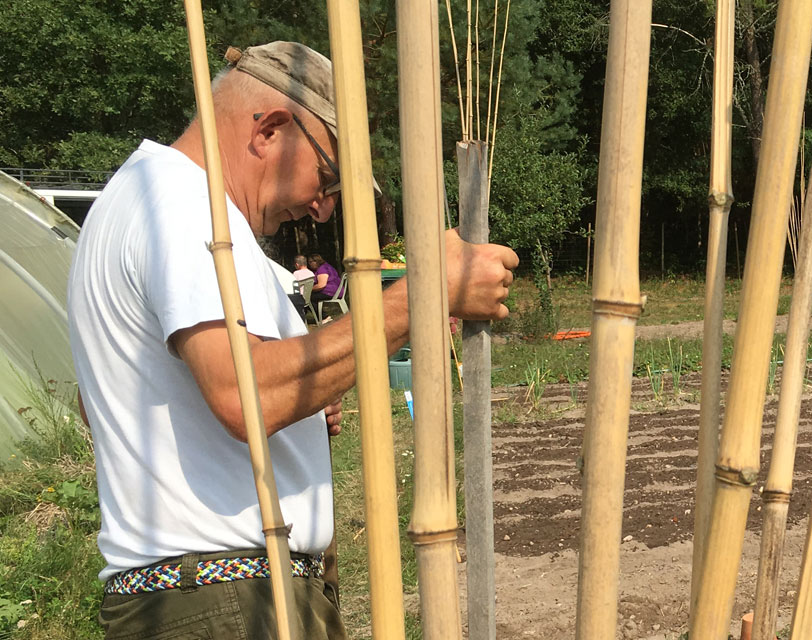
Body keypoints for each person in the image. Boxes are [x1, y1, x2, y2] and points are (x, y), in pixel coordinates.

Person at [67, 41, 519, 638]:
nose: (323, 210)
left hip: (209, 593)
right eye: (327, 179)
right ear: (270, 131)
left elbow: (103, 401)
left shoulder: (139, 199)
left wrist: (301, 401)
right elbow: (241, 392)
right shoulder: (181, 205)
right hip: (223, 597)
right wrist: (417, 299)